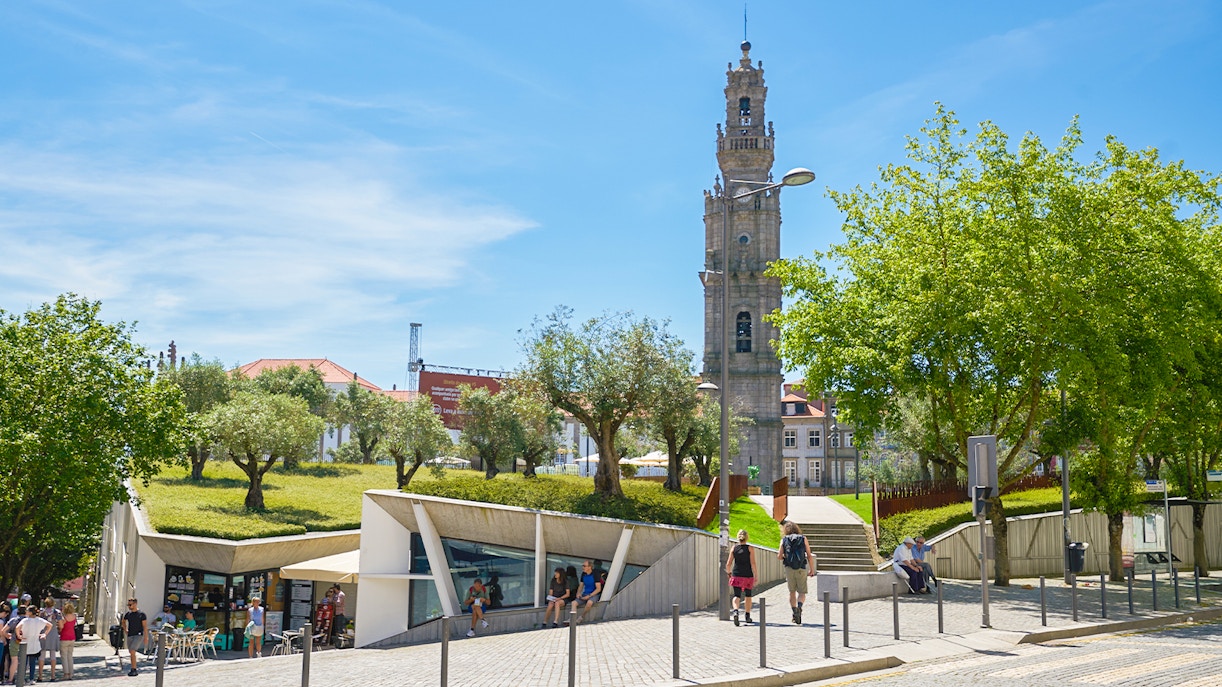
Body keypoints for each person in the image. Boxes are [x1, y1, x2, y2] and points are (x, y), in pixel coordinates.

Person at [777, 521, 815, 624]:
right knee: (802, 592)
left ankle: (794, 612)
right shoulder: (803, 538)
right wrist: (812, 569)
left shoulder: (784, 539)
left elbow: (779, 556)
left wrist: (785, 556)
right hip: (801, 567)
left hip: (789, 568)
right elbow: (809, 555)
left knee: (792, 592)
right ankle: (799, 607)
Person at [726, 529, 758, 626]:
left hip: (736, 574)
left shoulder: (734, 548)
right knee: (748, 595)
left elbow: (728, 564)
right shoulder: (750, 548)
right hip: (747, 574)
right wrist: (756, 575)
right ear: (747, 537)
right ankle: (747, 616)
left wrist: (729, 573)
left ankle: (735, 611)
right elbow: (753, 563)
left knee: (737, 595)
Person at [16, 606, 51, 685]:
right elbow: (50, 625)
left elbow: (17, 627)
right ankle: (31, 678)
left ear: (30, 612)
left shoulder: (25, 620)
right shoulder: (39, 620)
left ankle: (23, 678)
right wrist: (44, 634)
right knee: (32, 663)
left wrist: (19, 636)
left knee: (23, 663)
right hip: (35, 643)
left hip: (25, 642)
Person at [121, 598, 148, 676]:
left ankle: (134, 669)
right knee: (131, 652)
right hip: (130, 635)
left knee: (132, 651)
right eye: (128, 605)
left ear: (135, 604)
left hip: (138, 635)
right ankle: (133, 668)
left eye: (130, 605)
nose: (129, 606)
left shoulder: (141, 614)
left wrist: (146, 637)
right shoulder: (128, 614)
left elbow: (145, 626)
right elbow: (123, 621)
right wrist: (125, 629)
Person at [38, 598, 62, 682]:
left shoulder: (41, 612)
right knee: (53, 655)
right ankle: (53, 675)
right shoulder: (57, 612)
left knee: (42, 655)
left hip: (43, 632)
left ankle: (40, 676)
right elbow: (60, 623)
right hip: (53, 633)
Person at [58, 602, 77, 681]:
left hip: (64, 637)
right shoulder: (74, 617)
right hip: (72, 637)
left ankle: (66, 673)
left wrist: (59, 629)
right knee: (70, 656)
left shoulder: (64, 618)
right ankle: (71, 673)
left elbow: (61, 628)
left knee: (64, 656)